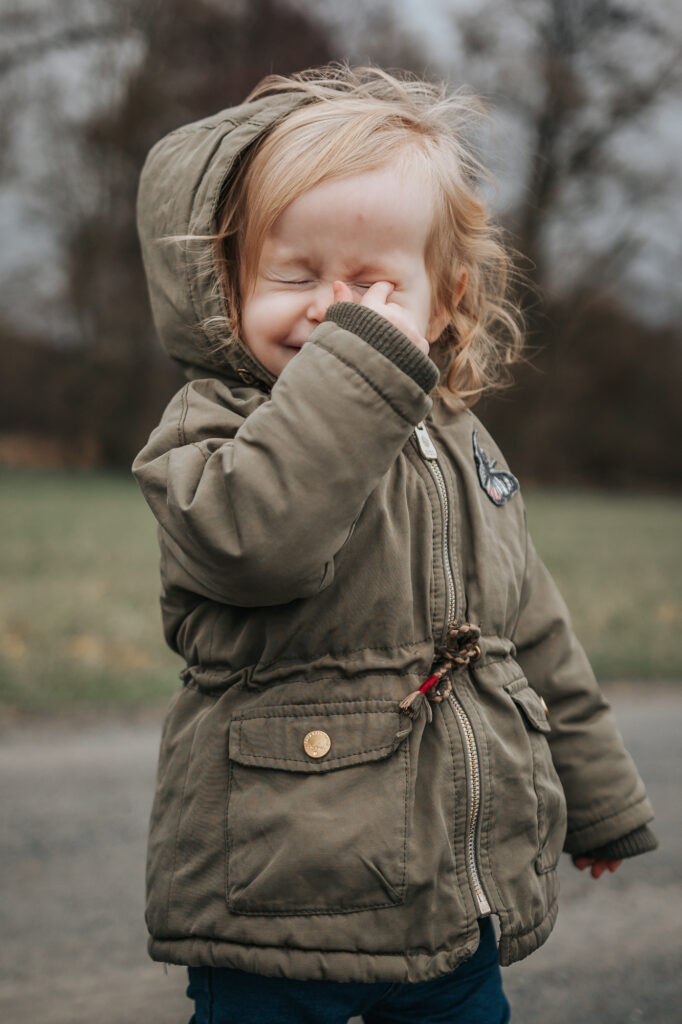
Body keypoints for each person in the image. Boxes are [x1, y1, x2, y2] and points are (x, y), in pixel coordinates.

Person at [132, 65, 657, 1024]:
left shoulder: (461, 441)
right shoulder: (206, 430)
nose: (334, 308)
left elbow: (530, 628)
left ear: (445, 299)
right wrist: (361, 362)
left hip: (451, 906)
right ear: (226, 285)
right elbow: (258, 544)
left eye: (372, 284)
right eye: (294, 276)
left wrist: (600, 791)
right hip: (275, 904)